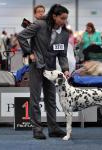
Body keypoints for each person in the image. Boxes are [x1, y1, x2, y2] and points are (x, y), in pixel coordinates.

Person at [17, 4, 70, 140]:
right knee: (35, 99)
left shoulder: (64, 33)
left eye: (66, 18)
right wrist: (29, 53)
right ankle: (37, 129)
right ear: (54, 16)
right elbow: (21, 36)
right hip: (37, 66)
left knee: (51, 99)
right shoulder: (39, 24)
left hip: (51, 68)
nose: (64, 21)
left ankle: (53, 128)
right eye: (62, 18)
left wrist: (65, 69)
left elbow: (62, 54)